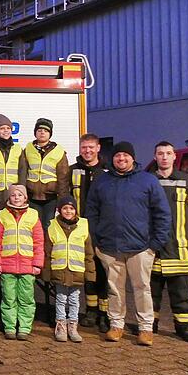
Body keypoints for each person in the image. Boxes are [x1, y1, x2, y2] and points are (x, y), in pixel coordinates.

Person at [86, 141, 171, 346]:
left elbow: (162, 214)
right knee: (114, 288)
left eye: (125, 155)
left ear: (133, 158)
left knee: (142, 288)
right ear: (112, 158)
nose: (121, 159)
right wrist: (97, 240)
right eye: (117, 156)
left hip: (141, 248)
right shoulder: (102, 181)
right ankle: (116, 325)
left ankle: (145, 329)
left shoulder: (147, 180)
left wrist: (154, 244)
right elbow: (91, 211)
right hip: (109, 247)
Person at [150, 141, 188, 343]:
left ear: (174, 156)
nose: (164, 157)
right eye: (160, 153)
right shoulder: (147, 181)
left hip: (179, 246)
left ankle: (185, 327)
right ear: (155, 157)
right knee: (151, 291)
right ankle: (149, 324)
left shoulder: (187, 181)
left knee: (182, 290)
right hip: (154, 247)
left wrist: (181, 228)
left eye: (168, 153)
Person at [0, 184, 44, 341]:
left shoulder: (33, 215)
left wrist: (37, 263)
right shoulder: (2, 216)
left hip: (28, 265)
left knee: (26, 298)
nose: (16, 198)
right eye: (13, 195)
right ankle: (10, 327)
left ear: (25, 198)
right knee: (9, 298)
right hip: (7, 264)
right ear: (9, 198)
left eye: (20, 195)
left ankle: (25, 328)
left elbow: (39, 242)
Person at [69, 133, 110, 332]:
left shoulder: (107, 172)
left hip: (102, 229)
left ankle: (105, 314)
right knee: (87, 271)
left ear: (98, 148)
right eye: (84, 147)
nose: (87, 151)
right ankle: (91, 311)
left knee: (103, 271)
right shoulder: (72, 171)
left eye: (91, 147)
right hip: (79, 230)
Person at [42, 196, 95, 343]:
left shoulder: (84, 226)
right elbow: (47, 252)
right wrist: (46, 272)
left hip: (77, 270)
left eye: (71, 208)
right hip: (59, 269)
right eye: (65, 208)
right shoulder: (52, 226)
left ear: (76, 211)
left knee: (74, 300)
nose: (68, 211)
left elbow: (89, 253)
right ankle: (61, 326)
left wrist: (90, 273)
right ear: (59, 210)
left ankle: (73, 326)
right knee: (60, 298)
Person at [18, 118, 69, 231]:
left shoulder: (58, 151)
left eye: (46, 131)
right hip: (32, 197)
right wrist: (22, 193)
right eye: (39, 130)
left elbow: (63, 178)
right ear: (35, 132)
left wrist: (62, 200)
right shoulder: (28, 149)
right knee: (33, 226)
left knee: (48, 226)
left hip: (50, 197)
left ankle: (47, 249)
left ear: (50, 134)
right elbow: (23, 172)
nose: (42, 133)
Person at [0, 114, 24, 272]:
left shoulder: (17, 149)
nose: (6, 131)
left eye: (8, 128)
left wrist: (20, 193)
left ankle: (9, 262)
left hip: (12, 197)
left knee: (10, 233)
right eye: (2, 128)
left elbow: (22, 171)